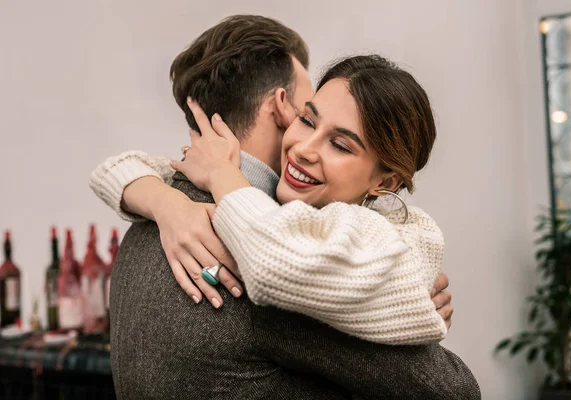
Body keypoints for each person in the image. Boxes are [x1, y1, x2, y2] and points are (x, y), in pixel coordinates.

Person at [93, 15, 479, 399]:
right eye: (307, 117)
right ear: (283, 106)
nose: (305, 148)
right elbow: (453, 389)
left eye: (340, 144)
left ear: (386, 181)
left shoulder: (142, 230)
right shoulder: (269, 267)